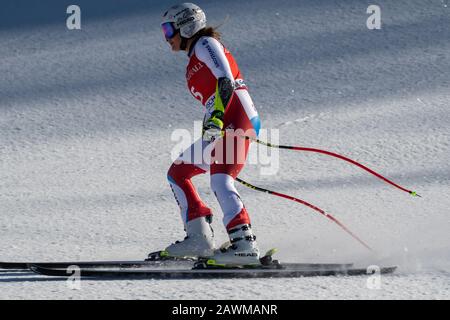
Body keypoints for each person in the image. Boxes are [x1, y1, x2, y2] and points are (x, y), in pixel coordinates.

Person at [159, 3, 261, 266]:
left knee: (221, 180)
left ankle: (244, 245)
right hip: (221, 121)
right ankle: (199, 237)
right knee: (178, 173)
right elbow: (213, 95)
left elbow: (225, 80)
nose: (167, 37)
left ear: (186, 25)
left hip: (237, 116)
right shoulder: (193, 58)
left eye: (169, 29)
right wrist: (212, 119)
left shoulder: (205, 44)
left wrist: (217, 116)